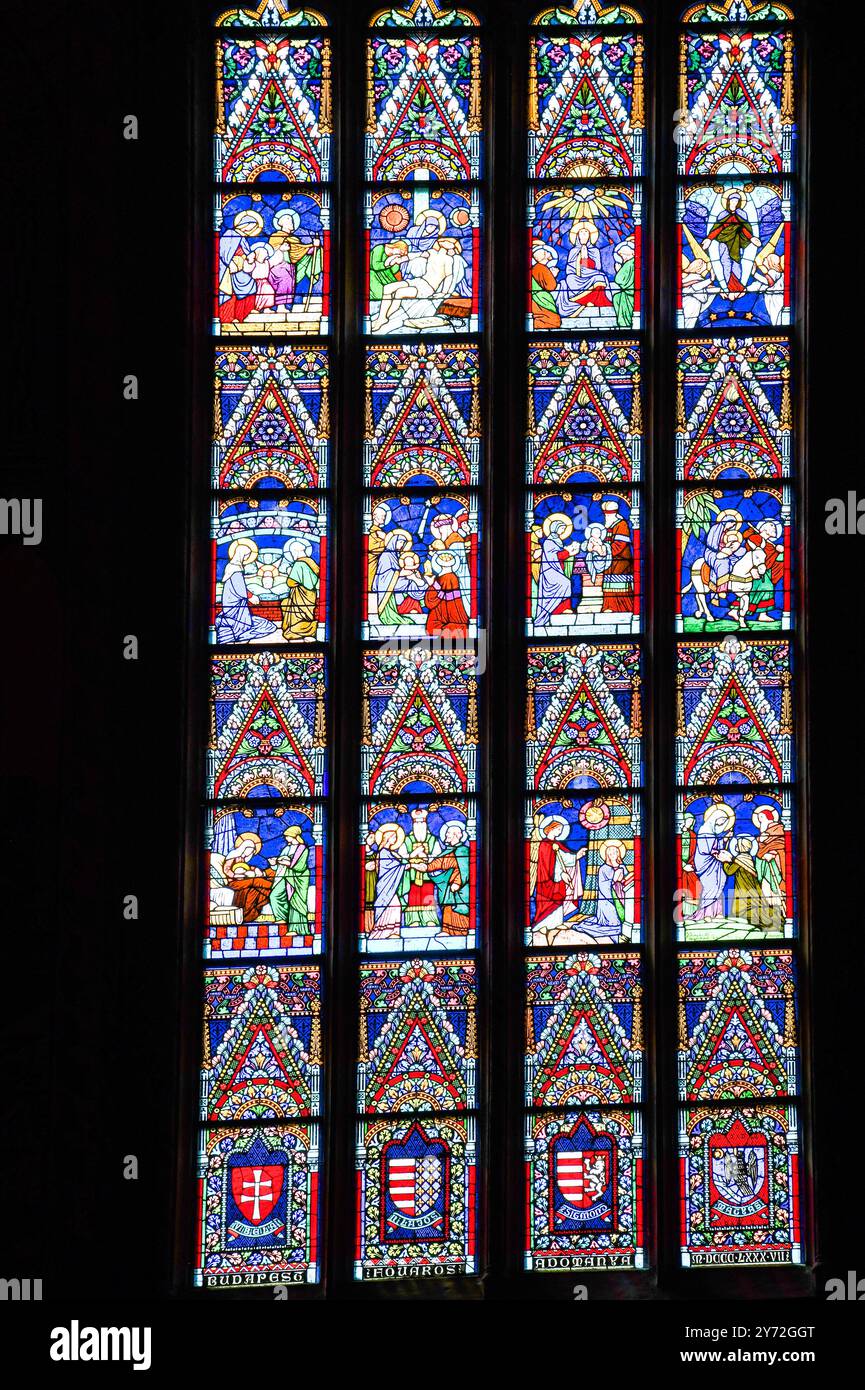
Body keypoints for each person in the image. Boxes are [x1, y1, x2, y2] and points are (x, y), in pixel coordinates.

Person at [530, 813, 587, 938]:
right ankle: (542, 925)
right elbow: (547, 864)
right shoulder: (545, 844)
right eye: (558, 829)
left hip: (557, 881)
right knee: (548, 903)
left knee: (559, 899)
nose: (560, 832)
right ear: (551, 828)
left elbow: (564, 857)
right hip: (547, 881)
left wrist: (577, 856)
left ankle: (555, 924)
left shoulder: (556, 844)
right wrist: (560, 873)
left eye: (561, 829)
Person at [216, 539, 279, 643]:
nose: (246, 558)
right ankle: (238, 629)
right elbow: (240, 589)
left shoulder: (232, 567)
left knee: (260, 623)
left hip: (234, 602)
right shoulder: (235, 569)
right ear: (241, 555)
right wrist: (251, 596)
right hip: (235, 604)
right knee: (264, 626)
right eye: (246, 556)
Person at [578, 840, 633, 941]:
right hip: (607, 900)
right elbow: (602, 886)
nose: (613, 854)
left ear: (619, 853)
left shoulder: (622, 866)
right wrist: (613, 881)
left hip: (621, 896)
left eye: (615, 852)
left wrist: (623, 879)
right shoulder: (603, 868)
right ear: (607, 855)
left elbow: (627, 879)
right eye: (611, 853)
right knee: (614, 923)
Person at [533, 513, 580, 627]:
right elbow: (555, 557)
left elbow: (560, 555)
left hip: (557, 570)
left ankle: (564, 608)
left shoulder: (558, 541)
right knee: (565, 583)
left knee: (567, 583)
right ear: (555, 528)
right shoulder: (549, 542)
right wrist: (569, 551)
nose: (563, 531)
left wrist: (572, 551)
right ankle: (556, 610)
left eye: (564, 529)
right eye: (562, 528)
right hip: (550, 572)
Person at [692, 802, 735, 920]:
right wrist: (716, 853)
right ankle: (707, 914)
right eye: (720, 822)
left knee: (718, 886)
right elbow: (705, 849)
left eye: (723, 823)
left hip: (716, 864)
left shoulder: (711, 832)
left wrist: (725, 838)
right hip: (706, 864)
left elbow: (716, 846)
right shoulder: (703, 830)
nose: (721, 825)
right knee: (710, 887)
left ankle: (717, 912)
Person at [428, 820, 471, 939]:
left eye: (448, 833)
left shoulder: (463, 850)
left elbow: (465, 869)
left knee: (458, 908)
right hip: (448, 887)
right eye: (446, 833)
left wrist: (458, 883)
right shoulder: (447, 851)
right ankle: (447, 930)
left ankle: (461, 931)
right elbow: (437, 863)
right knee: (448, 907)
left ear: (456, 835)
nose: (446, 836)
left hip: (461, 889)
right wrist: (423, 866)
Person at [367, 823, 407, 941]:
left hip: (390, 884)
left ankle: (393, 931)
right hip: (385, 884)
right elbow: (394, 866)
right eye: (393, 837)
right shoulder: (383, 852)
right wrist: (407, 864)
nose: (395, 839)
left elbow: (399, 864)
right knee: (393, 905)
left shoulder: (390, 852)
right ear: (388, 838)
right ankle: (381, 932)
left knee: (396, 905)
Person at [267, 824, 311, 934]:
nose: (286, 838)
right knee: (274, 895)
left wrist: (286, 862)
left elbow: (299, 866)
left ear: (294, 836)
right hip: (284, 876)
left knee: (295, 902)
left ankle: (296, 928)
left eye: (288, 836)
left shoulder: (302, 848)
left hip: (298, 878)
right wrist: (274, 864)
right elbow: (279, 866)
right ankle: (281, 918)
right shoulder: (287, 848)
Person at [280, 537, 320, 640]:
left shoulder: (299, 564)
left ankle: (315, 626)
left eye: (292, 552)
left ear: (296, 552)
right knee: (285, 603)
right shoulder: (311, 562)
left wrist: (289, 571)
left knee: (291, 630)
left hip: (301, 598)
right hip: (310, 595)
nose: (292, 555)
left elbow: (290, 582)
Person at [599, 500, 634, 614]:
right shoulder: (609, 525)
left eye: (607, 514)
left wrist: (605, 550)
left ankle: (623, 608)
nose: (606, 516)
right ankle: (609, 606)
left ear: (613, 513)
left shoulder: (621, 524)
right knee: (608, 583)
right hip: (610, 560)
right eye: (605, 514)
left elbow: (620, 544)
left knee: (619, 584)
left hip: (621, 560)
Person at [425, 549, 468, 638]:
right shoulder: (448, 576)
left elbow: (435, 598)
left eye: (447, 559)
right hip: (443, 609)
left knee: (433, 628)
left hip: (447, 610)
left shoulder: (448, 577)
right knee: (432, 627)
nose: (446, 559)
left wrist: (432, 584)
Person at [531, 242, 562, 329]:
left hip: (537, 298)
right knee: (552, 320)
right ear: (543, 255)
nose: (549, 253)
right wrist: (553, 275)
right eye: (546, 251)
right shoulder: (541, 268)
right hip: (540, 299)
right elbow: (551, 286)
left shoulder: (537, 268)